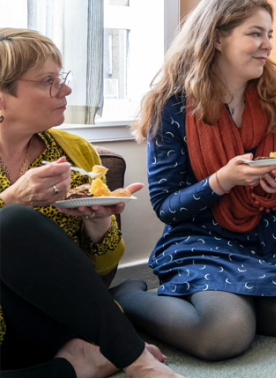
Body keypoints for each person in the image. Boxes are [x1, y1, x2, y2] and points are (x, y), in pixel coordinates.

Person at [112, 0, 276, 361]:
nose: (267, 45)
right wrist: (220, 182)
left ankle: (238, 307)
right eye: (255, 33)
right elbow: (167, 207)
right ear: (217, 38)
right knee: (223, 336)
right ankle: (130, 298)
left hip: (271, 241)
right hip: (202, 241)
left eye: (269, 34)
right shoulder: (172, 106)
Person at [0, 29, 181, 377]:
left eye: (62, 78)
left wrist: (98, 223)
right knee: (12, 219)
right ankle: (82, 364)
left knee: (15, 222)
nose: (66, 90)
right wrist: (9, 199)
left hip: (52, 322)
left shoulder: (75, 153)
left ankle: (136, 361)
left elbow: (100, 270)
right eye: (48, 81)